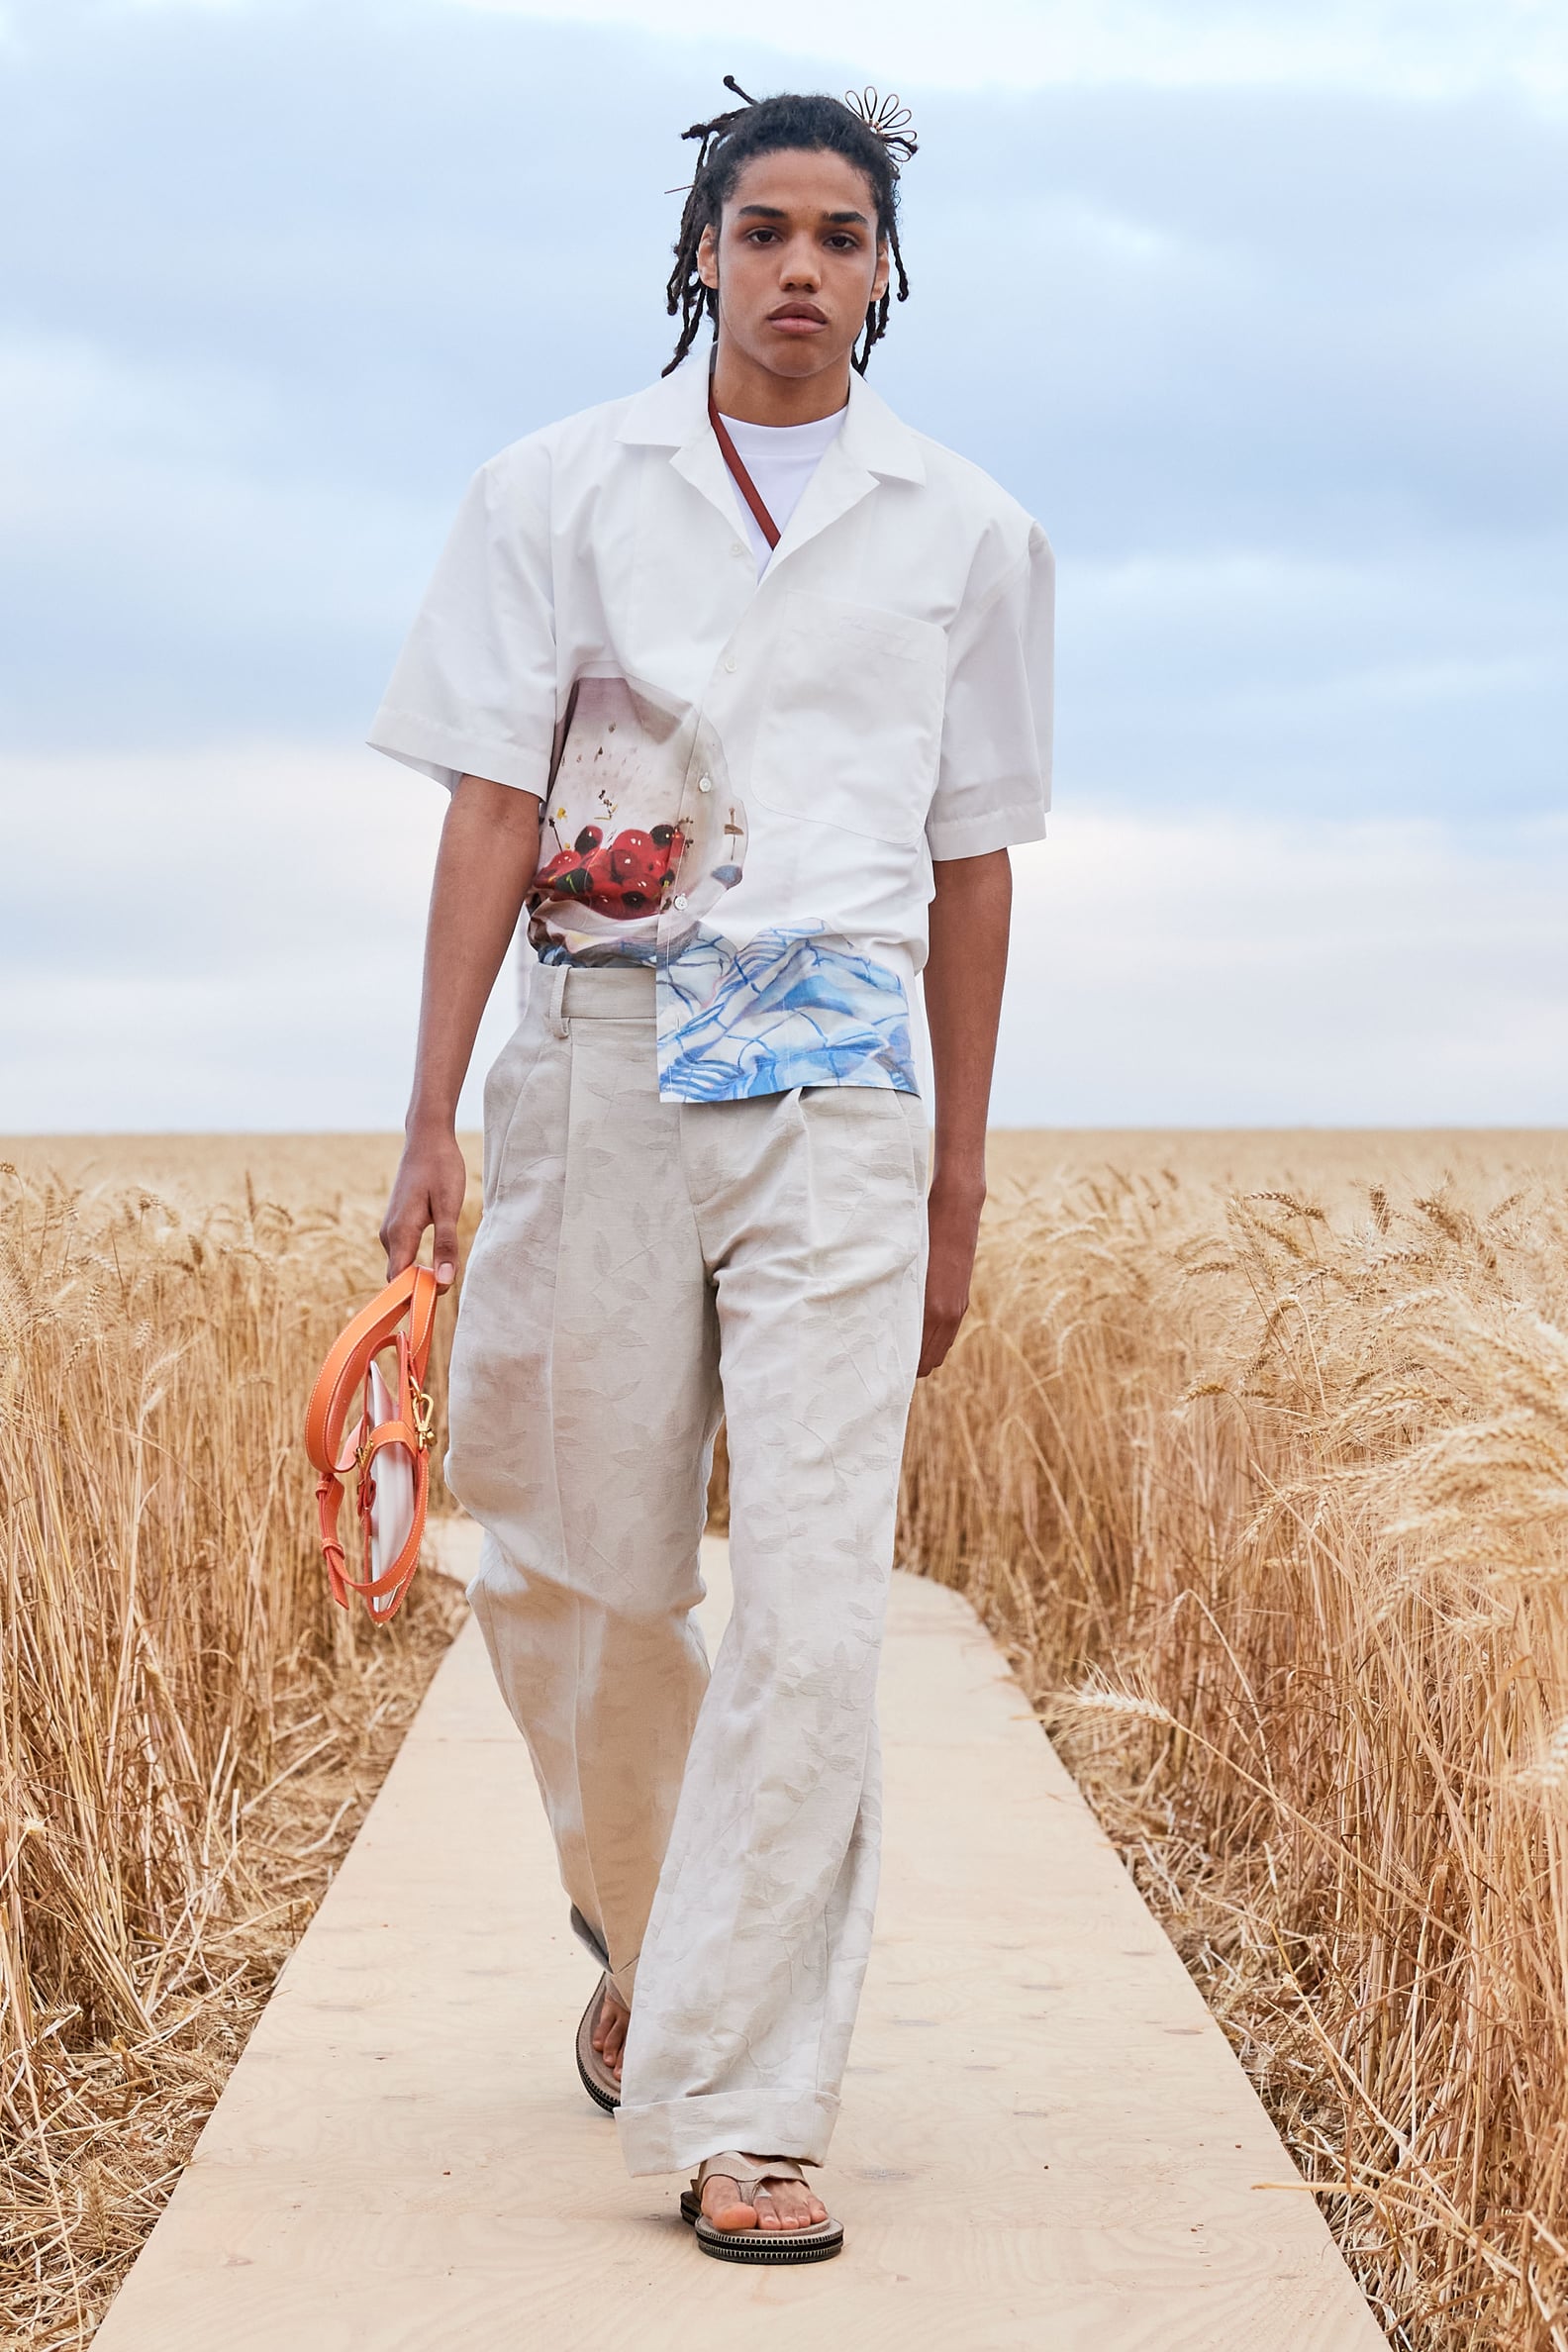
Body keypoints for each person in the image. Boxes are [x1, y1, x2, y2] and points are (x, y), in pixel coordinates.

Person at [369, 78, 1052, 2265]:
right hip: (597, 1049)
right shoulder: (557, 489)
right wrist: (424, 1118)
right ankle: (654, 1929)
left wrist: (957, 1186)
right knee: (568, 1557)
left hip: (845, 1083)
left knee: (823, 1598)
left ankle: (752, 2100)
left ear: (887, 272)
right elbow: (489, 805)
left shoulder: (971, 532)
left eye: (841, 237)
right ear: (700, 256)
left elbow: (973, 866)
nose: (799, 270)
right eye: (761, 230)